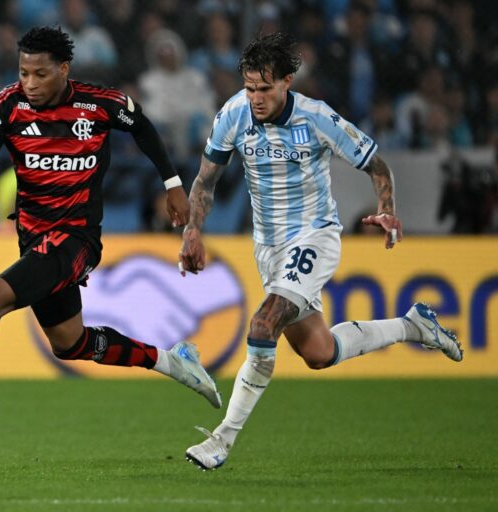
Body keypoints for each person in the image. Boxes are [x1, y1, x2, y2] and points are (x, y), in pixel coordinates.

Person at [0, 26, 221, 437]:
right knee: (69, 343)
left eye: (40, 74)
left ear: (64, 69)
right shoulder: (8, 104)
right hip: (34, 239)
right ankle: (171, 361)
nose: (29, 84)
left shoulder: (98, 104)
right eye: (23, 73)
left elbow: (142, 127)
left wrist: (172, 184)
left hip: (76, 239)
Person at [177, 32, 463, 471]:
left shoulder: (317, 118)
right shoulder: (234, 114)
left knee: (262, 323)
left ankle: (222, 439)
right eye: (250, 87)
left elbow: (376, 164)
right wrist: (193, 230)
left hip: (314, 237)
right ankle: (413, 327)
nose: (255, 97)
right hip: (268, 248)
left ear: (287, 81)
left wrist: (386, 210)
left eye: (264, 88)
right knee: (318, 352)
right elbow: (205, 180)